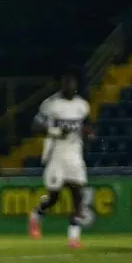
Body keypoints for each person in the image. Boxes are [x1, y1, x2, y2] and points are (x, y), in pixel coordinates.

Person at [28, 70, 93, 248]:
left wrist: (89, 133)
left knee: (78, 194)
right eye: (66, 82)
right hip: (55, 154)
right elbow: (35, 126)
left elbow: (88, 126)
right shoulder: (50, 105)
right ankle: (36, 215)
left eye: (72, 83)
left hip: (75, 155)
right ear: (61, 85)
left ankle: (74, 237)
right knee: (54, 197)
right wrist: (55, 132)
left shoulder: (82, 106)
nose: (70, 86)